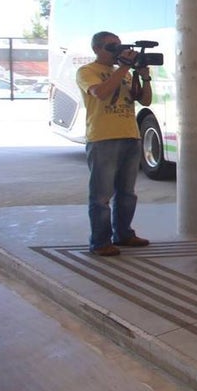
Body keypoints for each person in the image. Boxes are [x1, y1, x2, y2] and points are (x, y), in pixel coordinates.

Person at [76, 31, 152, 256]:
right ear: (97, 49)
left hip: (130, 135)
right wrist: (124, 68)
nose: (117, 50)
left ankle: (124, 234)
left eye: (119, 46)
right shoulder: (87, 71)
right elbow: (100, 93)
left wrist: (144, 76)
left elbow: (145, 100)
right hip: (103, 138)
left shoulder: (125, 73)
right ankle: (100, 242)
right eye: (111, 47)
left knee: (127, 192)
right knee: (101, 196)